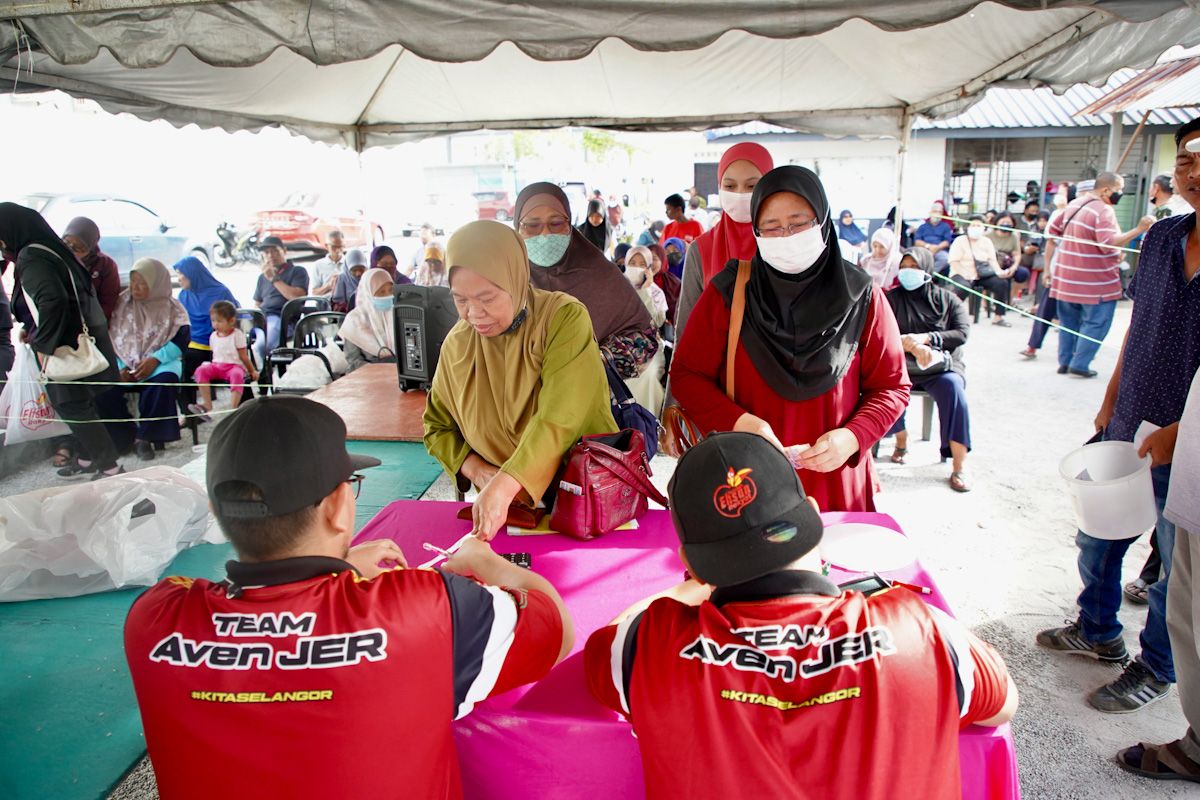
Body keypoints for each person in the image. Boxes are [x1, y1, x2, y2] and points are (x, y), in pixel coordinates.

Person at [125, 394, 572, 799]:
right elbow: (555, 628)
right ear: (339, 506)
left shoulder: (154, 619)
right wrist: (487, 561)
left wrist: (337, 568)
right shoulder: (429, 608)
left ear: (216, 512)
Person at [584, 432, 1016, 800]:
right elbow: (1001, 706)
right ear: (811, 510)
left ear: (690, 563)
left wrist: (689, 587)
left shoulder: (647, 646)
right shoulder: (923, 631)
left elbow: (604, 645)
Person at [1037, 118, 1200, 716]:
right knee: (1099, 533)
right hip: (1131, 418)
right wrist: (1110, 401)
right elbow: (1140, 324)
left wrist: (1180, 435)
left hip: (1194, 441)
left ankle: (1157, 666)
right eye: (1186, 159)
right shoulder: (1161, 237)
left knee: (1175, 566)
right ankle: (1098, 629)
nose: (1195, 171)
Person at [670, 165, 910, 512]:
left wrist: (853, 437)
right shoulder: (729, 292)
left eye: (798, 224)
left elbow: (891, 386)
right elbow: (687, 375)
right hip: (748, 482)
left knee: (835, 564)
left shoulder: (864, 297)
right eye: (771, 227)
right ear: (756, 231)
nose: (786, 236)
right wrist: (740, 424)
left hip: (836, 481)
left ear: (823, 221)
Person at [423, 220, 618, 540]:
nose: (474, 314)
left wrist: (508, 481)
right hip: (508, 508)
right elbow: (436, 427)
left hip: (582, 497)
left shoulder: (562, 318)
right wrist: (479, 471)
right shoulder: (457, 344)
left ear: (515, 279)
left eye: (487, 297)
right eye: (461, 300)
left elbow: (559, 418)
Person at [0, 202, 122, 480]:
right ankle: (89, 458)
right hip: (74, 341)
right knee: (80, 405)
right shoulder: (50, 248)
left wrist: (43, 344)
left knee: (72, 406)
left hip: (62, 347)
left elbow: (52, 301)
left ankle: (112, 469)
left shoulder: (32, 256)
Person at [513, 182, 659, 380]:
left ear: (570, 225)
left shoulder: (600, 274)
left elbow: (646, 340)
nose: (545, 234)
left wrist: (593, 360)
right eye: (532, 225)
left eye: (556, 223)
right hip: (521, 406)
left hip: (588, 400)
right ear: (517, 228)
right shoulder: (505, 280)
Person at [1045, 171, 1154, 377]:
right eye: (1119, 189)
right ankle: (1080, 364)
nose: (1120, 193)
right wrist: (1139, 229)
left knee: (1069, 322)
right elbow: (1107, 243)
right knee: (1097, 322)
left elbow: (1053, 231)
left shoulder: (1074, 204)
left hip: (1066, 278)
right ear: (1106, 190)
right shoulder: (1103, 210)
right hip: (1095, 282)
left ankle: (1065, 361)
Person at [886, 248, 973, 491]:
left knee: (954, 389)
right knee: (881, 386)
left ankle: (959, 463)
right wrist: (909, 345)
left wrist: (925, 339)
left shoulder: (947, 300)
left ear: (926, 269)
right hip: (901, 366)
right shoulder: (890, 300)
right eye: (904, 266)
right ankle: (901, 438)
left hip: (939, 369)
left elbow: (961, 333)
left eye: (914, 266)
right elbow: (877, 332)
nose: (908, 271)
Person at [95, 258, 190, 461]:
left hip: (161, 363)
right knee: (104, 389)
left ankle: (144, 438)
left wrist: (155, 360)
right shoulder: (120, 304)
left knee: (162, 383)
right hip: (123, 362)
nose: (135, 288)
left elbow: (181, 340)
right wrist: (119, 367)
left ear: (156, 284)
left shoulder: (173, 309)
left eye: (142, 283)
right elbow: (110, 339)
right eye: (133, 281)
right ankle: (123, 436)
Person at [677, 143, 775, 340]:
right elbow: (687, 326)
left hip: (775, 367)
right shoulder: (701, 249)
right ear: (720, 188)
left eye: (752, 186)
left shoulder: (784, 243)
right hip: (715, 367)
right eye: (730, 186)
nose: (739, 194)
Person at [173, 255, 240, 424]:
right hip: (195, 344)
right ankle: (191, 413)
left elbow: (234, 320)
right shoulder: (184, 295)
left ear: (194, 274)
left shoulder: (220, 292)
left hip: (220, 344)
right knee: (181, 369)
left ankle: (242, 408)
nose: (179, 278)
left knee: (232, 368)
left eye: (182, 274)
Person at [187, 300, 258, 420]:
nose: (216, 324)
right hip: (217, 366)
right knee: (200, 370)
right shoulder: (213, 336)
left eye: (219, 321)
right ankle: (207, 404)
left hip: (233, 366)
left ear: (231, 321)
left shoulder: (237, 335)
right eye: (213, 321)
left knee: (236, 375)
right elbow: (215, 353)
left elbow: (243, 356)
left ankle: (233, 407)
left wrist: (252, 370)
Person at [947, 215, 1016, 327]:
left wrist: (999, 272)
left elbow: (992, 260)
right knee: (963, 288)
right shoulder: (960, 241)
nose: (976, 227)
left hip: (981, 274)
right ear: (967, 227)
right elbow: (953, 261)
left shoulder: (986, 241)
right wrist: (965, 274)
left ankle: (998, 317)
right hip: (960, 273)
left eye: (979, 225)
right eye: (973, 225)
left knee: (1001, 283)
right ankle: (951, 316)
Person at [253, 235, 310, 360]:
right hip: (262, 317)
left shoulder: (297, 271)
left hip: (282, 318)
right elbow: (257, 302)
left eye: (274, 251)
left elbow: (296, 297)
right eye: (266, 252)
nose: (270, 255)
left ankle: (265, 373)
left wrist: (274, 279)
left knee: (262, 345)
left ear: (284, 251)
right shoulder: (262, 277)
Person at [62, 216, 120, 319]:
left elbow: (108, 303)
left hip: (90, 322)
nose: (71, 250)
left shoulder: (106, 266)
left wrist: (89, 322)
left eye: (79, 247)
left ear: (90, 248)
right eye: (67, 242)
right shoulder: (55, 258)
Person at [341, 268, 398, 372]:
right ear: (368, 293)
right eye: (381, 292)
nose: (387, 295)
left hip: (398, 373)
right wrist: (381, 371)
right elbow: (353, 361)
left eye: (391, 290)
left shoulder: (399, 314)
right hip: (366, 375)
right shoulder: (354, 320)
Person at [624, 246, 668, 328]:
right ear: (626, 264)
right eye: (632, 263)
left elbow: (657, 323)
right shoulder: (617, 285)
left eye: (642, 264)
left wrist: (645, 290)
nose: (636, 267)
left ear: (648, 268)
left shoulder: (657, 292)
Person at [913, 200, 956, 274]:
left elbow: (947, 242)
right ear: (930, 212)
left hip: (939, 250)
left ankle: (928, 274)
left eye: (939, 212)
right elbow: (917, 241)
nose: (937, 214)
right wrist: (928, 246)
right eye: (935, 211)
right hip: (924, 249)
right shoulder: (923, 227)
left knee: (945, 259)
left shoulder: (946, 226)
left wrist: (937, 248)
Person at [648, 242, 681, 327]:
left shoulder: (675, 284)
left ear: (662, 260)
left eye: (654, 258)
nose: (650, 263)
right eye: (647, 258)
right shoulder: (637, 281)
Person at [308, 230, 345, 296]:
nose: (337, 250)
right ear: (326, 246)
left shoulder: (348, 263)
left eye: (340, 247)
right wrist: (328, 286)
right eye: (334, 247)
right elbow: (314, 293)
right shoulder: (318, 265)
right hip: (326, 303)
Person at [330, 248, 368, 313]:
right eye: (354, 270)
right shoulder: (342, 278)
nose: (358, 273)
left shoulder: (369, 276)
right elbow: (338, 304)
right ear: (347, 268)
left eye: (361, 269)